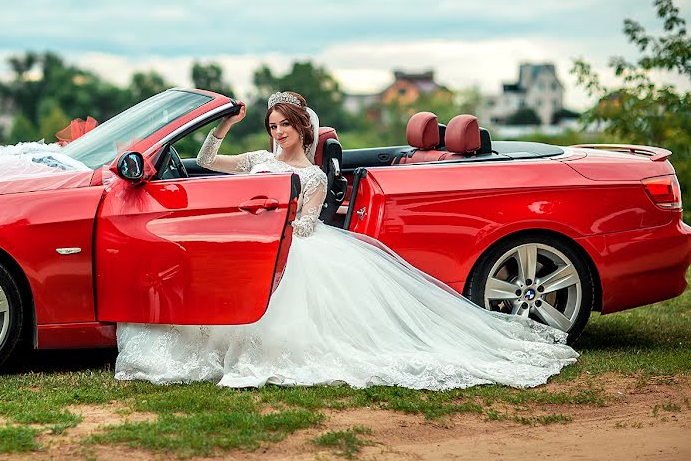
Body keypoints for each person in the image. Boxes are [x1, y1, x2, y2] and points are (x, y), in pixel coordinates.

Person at [115, 92, 579, 389]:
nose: (277, 133)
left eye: (285, 125)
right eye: (272, 125)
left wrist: (260, 224)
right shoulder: (257, 157)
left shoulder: (312, 177)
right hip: (258, 244)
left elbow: (303, 226)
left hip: (296, 252)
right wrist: (225, 125)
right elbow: (208, 160)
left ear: (303, 129)